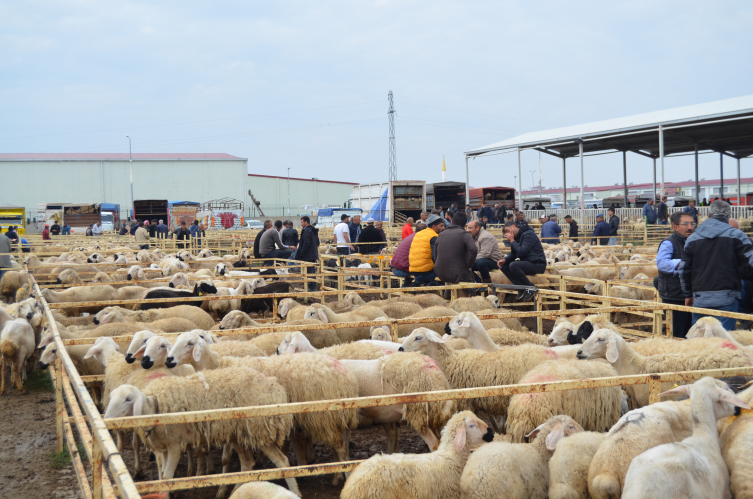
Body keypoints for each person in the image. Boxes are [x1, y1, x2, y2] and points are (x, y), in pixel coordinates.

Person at [680, 200, 753, 330]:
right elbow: (750, 265)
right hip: (727, 297)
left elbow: (684, 269)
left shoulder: (692, 239)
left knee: (700, 341)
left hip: (700, 298)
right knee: (723, 343)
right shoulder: (737, 236)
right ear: (728, 215)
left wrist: (688, 294)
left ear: (709, 214)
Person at [656, 212, 696, 338]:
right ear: (675, 226)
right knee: (677, 333)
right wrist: (684, 264)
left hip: (692, 295)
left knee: (691, 332)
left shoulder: (694, 241)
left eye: (692, 223)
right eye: (685, 224)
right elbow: (662, 263)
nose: (689, 227)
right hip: (674, 295)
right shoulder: (669, 243)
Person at [496, 221, 546, 301]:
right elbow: (514, 254)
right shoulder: (517, 237)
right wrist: (505, 260)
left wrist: (512, 241)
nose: (508, 234)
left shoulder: (529, 234)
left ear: (514, 226)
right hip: (528, 262)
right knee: (503, 266)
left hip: (537, 263)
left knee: (513, 265)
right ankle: (521, 287)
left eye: (508, 230)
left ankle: (530, 287)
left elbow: (522, 252)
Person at [434, 212, 478, 296]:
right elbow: (473, 249)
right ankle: (462, 300)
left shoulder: (441, 234)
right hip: (457, 273)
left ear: (452, 221)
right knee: (467, 278)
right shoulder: (464, 234)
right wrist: (468, 265)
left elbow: (435, 254)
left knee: (452, 273)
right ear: (465, 226)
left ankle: (448, 294)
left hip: (440, 271)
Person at [409, 214, 446, 285]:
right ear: (434, 226)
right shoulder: (434, 236)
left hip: (413, 270)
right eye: (441, 226)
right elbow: (435, 257)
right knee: (447, 274)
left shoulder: (419, 233)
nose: (443, 228)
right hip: (425, 271)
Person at [468, 220, 503, 286]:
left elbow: (484, 254)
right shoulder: (474, 236)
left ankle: (487, 282)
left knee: (481, 262)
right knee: (464, 265)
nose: (468, 230)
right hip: (483, 259)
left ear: (477, 228)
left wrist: (470, 260)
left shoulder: (485, 236)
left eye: (470, 228)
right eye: (468, 228)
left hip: (494, 261)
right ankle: (478, 281)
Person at [391, 222, 425, 287]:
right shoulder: (419, 238)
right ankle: (414, 287)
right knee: (426, 272)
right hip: (402, 269)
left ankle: (406, 285)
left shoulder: (411, 236)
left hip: (395, 267)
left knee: (411, 263)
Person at [296, 216, 320, 292]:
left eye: (302, 222)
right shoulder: (313, 230)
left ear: (306, 222)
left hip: (308, 254)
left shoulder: (307, 231)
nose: (301, 224)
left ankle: (311, 287)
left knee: (310, 270)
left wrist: (302, 253)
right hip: (313, 253)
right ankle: (312, 285)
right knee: (311, 270)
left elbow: (306, 243)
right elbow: (317, 242)